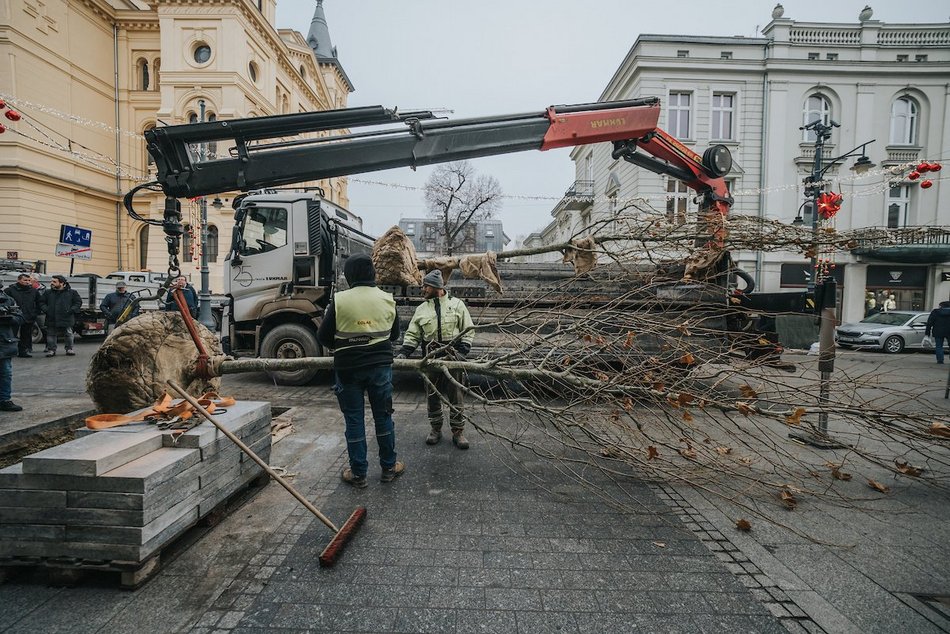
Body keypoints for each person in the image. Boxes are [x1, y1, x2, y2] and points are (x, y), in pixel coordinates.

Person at [317, 254, 404, 488]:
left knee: (354, 420)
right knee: (383, 417)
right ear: (373, 273)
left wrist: (346, 344)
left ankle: (358, 474)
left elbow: (323, 336)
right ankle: (388, 468)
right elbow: (394, 335)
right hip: (380, 370)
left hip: (348, 369)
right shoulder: (387, 299)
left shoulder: (341, 300)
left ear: (350, 275)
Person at [397, 269, 475, 449]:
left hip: (453, 357)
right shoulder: (421, 309)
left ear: (436, 287)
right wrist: (405, 351)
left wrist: (462, 351)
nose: (422, 289)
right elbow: (413, 334)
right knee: (432, 395)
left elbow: (468, 329)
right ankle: (435, 429)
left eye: (425, 286)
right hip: (430, 358)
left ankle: (458, 431)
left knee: (456, 395)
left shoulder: (457, 305)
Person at [41, 275, 82, 357]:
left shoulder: (72, 292)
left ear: (62, 283)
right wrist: (47, 310)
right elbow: (41, 303)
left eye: (54, 281)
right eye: (51, 281)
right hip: (51, 317)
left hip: (66, 317)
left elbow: (78, 302)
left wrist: (71, 310)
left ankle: (69, 349)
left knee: (69, 334)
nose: (51, 283)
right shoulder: (48, 292)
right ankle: (51, 350)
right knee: (51, 334)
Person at [4, 273, 41, 357]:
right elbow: (5, 302)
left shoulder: (33, 291)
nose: (27, 282)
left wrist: (35, 313)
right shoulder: (9, 290)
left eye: (29, 280)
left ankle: (23, 352)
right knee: (11, 334)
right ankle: (10, 351)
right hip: (14, 316)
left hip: (28, 316)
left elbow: (39, 303)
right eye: (25, 280)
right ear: (18, 280)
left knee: (26, 335)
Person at [0, 293, 23, 411]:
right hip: (5, 341)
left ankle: (4, 400)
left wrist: (8, 317)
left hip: (4, 342)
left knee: (6, 373)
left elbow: (20, 318)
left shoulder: (8, 299)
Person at [925, 299, 950, 364]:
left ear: (941, 306)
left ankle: (940, 360)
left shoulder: (935, 312)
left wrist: (927, 333)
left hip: (938, 331)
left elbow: (929, 323)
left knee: (939, 346)